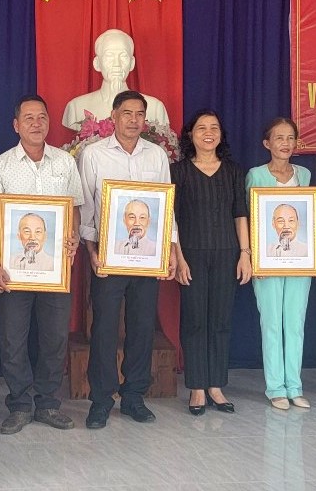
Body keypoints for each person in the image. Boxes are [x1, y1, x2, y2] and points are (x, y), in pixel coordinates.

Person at [0, 94, 84, 435]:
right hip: (12, 270)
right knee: (13, 340)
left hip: (55, 270)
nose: (36, 123)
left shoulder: (65, 163)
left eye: (42, 117)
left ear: (49, 122)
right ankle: (20, 405)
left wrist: (74, 235)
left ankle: (48, 403)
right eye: (28, 118)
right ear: (16, 125)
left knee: (55, 338)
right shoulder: (1, 166)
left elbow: (75, 208)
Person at [78, 90, 178, 429]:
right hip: (107, 258)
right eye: (127, 113)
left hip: (147, 258)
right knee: (104, 329)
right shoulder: (94, 154)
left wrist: (170, 250)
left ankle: (134, 396)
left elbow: (166, 207)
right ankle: (101, 400)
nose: (134, 120)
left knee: (142, 327)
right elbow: (86, 208)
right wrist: (91, 252)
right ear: (114, 116)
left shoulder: (157, 155)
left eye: (139, 114)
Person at [170, 109, 251, 416]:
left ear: (221, 135)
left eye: (214, 127)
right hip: (191, 254)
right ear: (190, 135)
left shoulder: (233, 171)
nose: (208, 133)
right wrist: (178, 258)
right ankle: (196, 387)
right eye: (201, 128)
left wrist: (245, 254)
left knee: (220, 321)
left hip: (227, 253)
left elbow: (240, 214)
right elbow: (172, 218)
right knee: (194, 321)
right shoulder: (178, 172)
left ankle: (216, 385)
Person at [247, 117, 314, 410]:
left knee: (295, 323)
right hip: (267, 261)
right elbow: (250, 217)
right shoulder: (256, 175)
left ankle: (294, 386)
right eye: (279, 138)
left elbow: (306, 217)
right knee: (272, 324)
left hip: (300, 260)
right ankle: (275, 387)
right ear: (267, 143)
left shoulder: (305, 174)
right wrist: (254, 258)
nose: (286, 143)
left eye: (290, 138)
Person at [61, 29, 170, 130]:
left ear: (132, 63)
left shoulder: (155, 108)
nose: (117, 64)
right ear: (97, 63)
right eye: (109, 56)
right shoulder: (76, 107)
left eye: (123, 56)